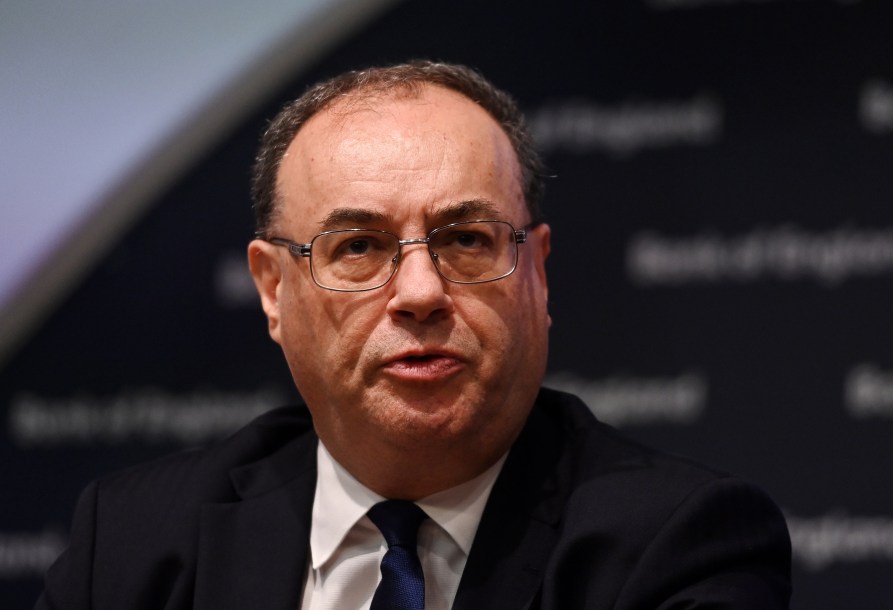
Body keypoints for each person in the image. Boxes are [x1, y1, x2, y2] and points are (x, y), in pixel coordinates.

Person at [36, 61, 791, 609]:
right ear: (273, 289)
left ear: (538, 271)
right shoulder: (134, 542)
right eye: (357, 247)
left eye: (466, 239)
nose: (422, 293)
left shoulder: (676, 546)